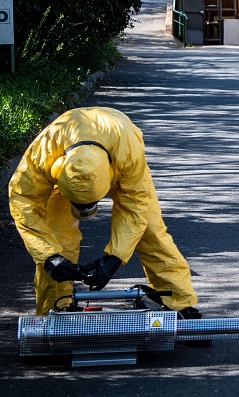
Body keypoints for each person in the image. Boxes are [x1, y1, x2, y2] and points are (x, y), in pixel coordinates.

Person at [9, 107, 200, 317]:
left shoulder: (128, 152)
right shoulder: (45, 151)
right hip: (66, 161)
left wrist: (114, 258)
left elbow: (134, 210)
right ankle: (54, 309)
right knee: (55, 239)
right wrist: (48, 256)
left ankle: (181, 304)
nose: (84, 211)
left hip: (120, 157)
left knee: (150, 231)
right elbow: (23, 199)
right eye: (78, 205)